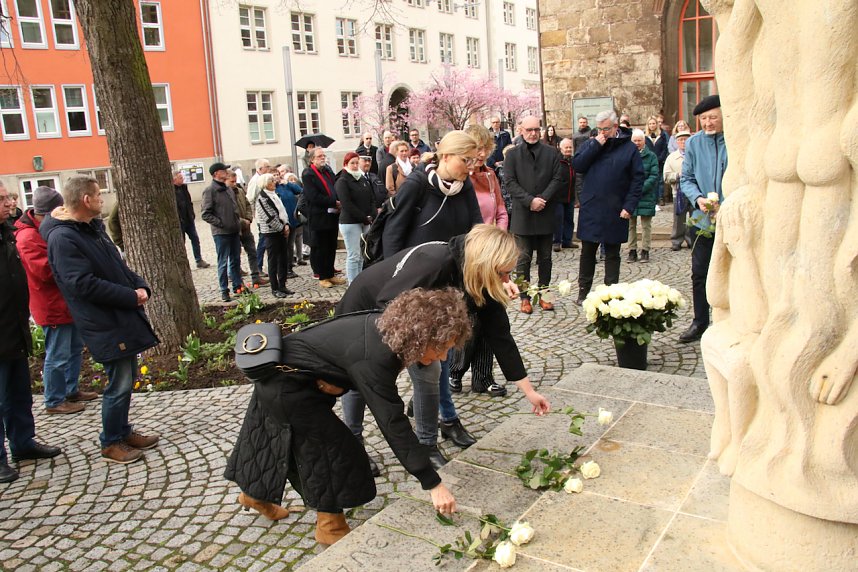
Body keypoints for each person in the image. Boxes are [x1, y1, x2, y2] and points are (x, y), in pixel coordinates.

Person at [225, 288, 471, 545]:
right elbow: (392, 423)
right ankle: (330, 527)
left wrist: (332, 380)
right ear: (421, 337)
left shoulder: (388, 328)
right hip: (285, 388)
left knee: (274, 440)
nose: (443, 357)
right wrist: (432, 483)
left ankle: (255, 496)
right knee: (335, 452)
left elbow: (337, 357)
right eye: (441, 348)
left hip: (282, 380)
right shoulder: (378, 356)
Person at [339, 225, 552, 469]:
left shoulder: (478, 277)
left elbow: (500, 336)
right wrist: (412, 351)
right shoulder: (434, 263)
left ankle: (427, 445)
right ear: (485, 264)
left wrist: (529, 392)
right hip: (367, 311)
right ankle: (353, 443)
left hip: (411, 318)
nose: (506, 281)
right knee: (359, 378)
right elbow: (389, 304)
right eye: (503, 273)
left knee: (430, 372)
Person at [41, 175, 159, 464]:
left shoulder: (92, 228)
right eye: (97, 195)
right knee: (119, 383)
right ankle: (111, 441)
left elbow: (117, 266)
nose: (101, 199)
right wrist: (130, 296)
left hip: (119, 316)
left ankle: (123, 430)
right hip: (103, 321)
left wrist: (140, 285)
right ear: (85, 200)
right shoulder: (63, 237)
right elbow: (82, 284)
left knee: (127, 378)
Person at [14, 187, 97, 415]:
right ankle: (54, 400)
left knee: (74, 349)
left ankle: (70, 390)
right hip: (50, 305)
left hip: (67, 302)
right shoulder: (27, 237)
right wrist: (74, 265)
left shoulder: (46, 229)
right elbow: (45, 271)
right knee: (58, 354)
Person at [1, 182, 62, 483]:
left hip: (13, 329)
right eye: (2, 199)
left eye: (8, 197)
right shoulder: (16, 234)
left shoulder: (7, 233)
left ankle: (23, 442)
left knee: (18, 394)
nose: (9, 203)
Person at [449, 127, 508, 397]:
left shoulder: (490, 175)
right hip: (469, 255)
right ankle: (455, 371)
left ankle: (483, 376)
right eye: (477, 148)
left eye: (486, 148)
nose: (482, 153)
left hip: (492, 255)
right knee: (469, 317)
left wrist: (499, 240)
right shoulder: (461, 180)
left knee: (490, 315)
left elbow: (501, 210)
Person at [573, 110, 644, 304]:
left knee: (612, 254)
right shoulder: (591, 143)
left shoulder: (629, 148)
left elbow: (637, 179)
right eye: (599, 129)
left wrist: (629, 205)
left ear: (615, 127)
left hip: (616, 208)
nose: (602, 133)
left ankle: (611, 294)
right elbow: (578, 165)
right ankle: (583, 292)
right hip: (592, 207)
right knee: (588, 252)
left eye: (606, 129)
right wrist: (595, 145)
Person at [382, 130, 483, 258]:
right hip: (418, 267)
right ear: (446, 156)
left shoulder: (465, 186)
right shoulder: (416, 183)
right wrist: (394, 268)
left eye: (473, 161)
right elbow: (393, 234)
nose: (471, 167)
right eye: (466, 160)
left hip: (456, 267)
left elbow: (477, 227)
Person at [503, 115, 564, 314]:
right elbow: (510, 182)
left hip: (546, 212)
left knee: (545, 258)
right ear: (521, 131)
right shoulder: (512, 155)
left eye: (536, 130)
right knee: (523, 259)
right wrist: (530, 201)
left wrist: (542, 199)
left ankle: (545, 295)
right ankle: (524, 297)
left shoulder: (551, 152)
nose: (533, 133)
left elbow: (557, 179)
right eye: (529, 130)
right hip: (523, 214)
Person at [679, 94, 727, 343]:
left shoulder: (734, 140)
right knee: (699, 271)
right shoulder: (694, 143)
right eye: (704, 119)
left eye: (713, 118)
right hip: (701, 219)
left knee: (732, 270)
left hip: (729, 217)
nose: (708, 123)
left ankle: (729, 320)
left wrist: (724, 205)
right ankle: (700, 321)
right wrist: (698, 199)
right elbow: (686, 178)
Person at [302, 148, 345, 288]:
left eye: (323, 155)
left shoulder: (327, 171)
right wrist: (333, 202)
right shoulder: (308, 174)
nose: (323, 158)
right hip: (319, 216)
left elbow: (334, 186)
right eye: (319, 156)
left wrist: (338, 200)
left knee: (331, 246)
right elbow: (313, 196)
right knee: (321, 247)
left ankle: (330, 273)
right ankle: (322, 276)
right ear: (312, 159)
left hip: (332, 214)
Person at [202, 162, 245, 301]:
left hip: (234, 231)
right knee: (223, 262)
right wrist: (221, 223)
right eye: (223, 170)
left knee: (235, 260)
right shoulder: (210, 191)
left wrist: (237, 224)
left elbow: (234, 209)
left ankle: (238, 286)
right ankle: (224, 290)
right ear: (216, 174)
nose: (226, 172)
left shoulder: (228, 189)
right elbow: (205, 214)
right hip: (221, 233)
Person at [336, 152, 375, 285]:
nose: (355, 165)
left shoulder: (362, 178)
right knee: (354, 255)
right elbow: (347, 204)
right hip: (350, 222)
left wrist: (371, 214)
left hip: (365, 221)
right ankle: (353, 283)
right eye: (352, 163)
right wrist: (364, 217)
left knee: (362, 255)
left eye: (357, 163)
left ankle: (360, 281)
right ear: (346, 164)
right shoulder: (342, 181)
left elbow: (371, 198)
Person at [226, 170, 266, 288]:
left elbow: (248, 204)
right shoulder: (225, 194)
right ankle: (237, 280)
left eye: (235, 181)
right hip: (234, 228)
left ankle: (256, 276)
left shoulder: (239, 191)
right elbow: (229, 213)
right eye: (232, 182)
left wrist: (248, 218)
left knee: (252, 252)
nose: (234, 184)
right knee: (235, 256)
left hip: (246, 228)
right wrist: (242, 221)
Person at [254, 173, 292, 298]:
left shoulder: (275, 195)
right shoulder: (262, 198)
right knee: (273, 261)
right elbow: (269, 218)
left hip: (281, 231)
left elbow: (282, 212)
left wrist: (286, 224)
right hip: (271, 233)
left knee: (283, 259)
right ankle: (275, 288)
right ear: (265, 184)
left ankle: (282, 285)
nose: (274, 182)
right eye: (271, 181)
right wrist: (282, 228)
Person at [627, 129, 660, 263]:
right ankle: (632, 250)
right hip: (631, 195)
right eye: (634, 140)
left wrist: (641, 188)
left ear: (644, 141)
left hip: (646, 195)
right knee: (631, 225)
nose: (637, 143)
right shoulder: (627, 155)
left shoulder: (651, 156)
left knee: (646, 225)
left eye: (639, 140)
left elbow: (654, 175)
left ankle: (645, 250)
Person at [663, 126, 693, 251]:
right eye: (680, 140)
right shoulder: (671, 157)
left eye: (685, 139)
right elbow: (666, 176)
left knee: (694, 217)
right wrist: (677, 176)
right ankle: (676, 240)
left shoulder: (695, 154)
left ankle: (691, 239)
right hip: (678, 192)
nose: (683, 142)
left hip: (693, 192)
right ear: (676, 142)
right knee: (678, 218)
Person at [173, 171, 210, 269]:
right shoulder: (172, 190)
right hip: (180, 221)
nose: (182, 179)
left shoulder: (184, 188)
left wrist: (192, 214)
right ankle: (183, 263)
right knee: (181, 243)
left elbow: (189, 202)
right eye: (180, 178)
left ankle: (199, 260)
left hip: (188, 219)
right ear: (174, 179)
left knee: (195, 239)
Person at [275, 168, 303, 277]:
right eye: (274, 175)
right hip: (282, 222)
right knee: (283, 247)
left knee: (290, 246)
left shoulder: (285, 186)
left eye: (277, 174)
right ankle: (283, 269)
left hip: (292, 220)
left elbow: (300, 190)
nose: (276, 177)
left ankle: (289, 267)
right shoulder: (274, 189)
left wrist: (288, 183)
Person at [245, 158, 271, 274]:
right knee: (263, 242)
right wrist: (253, 215)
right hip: (262, 216)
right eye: (267, 167)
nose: (269, 169)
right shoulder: (255, 181)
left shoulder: (265, 178)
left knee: (266, 242)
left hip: (268, 215)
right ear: (260, 169)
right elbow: (250, 199)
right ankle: (258, 267)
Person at [554, 138, 576, 251]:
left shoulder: (573, 161)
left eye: (570, 147)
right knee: (558, 220)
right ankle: (556, 241)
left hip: (570, 195)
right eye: (566, 147)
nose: (568, 149)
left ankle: (567, 241)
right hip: (558, 196)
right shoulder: (556, 161)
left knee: (569, 219)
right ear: (560, 148)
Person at [644, 115, 670, 205]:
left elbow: (664, 148)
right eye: (650, 124)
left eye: (653, 123)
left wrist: (660, 158)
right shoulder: (645, 135)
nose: (652, 125)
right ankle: (652, 198)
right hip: (649, 161)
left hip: (660, 161)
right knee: (650, 179)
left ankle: (660, 198)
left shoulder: (662, 135)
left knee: (660, 180)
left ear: (656, 124)